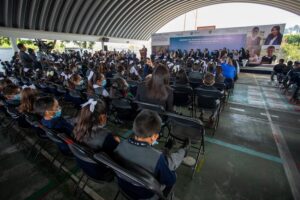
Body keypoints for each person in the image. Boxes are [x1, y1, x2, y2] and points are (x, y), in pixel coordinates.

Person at [114, 109, 190, 199]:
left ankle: (173, 149)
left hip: (123, 186)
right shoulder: (157, 158)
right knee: (172, 170)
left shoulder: (121, 145)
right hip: (146, 195)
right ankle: (183, 151)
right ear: (154, 136)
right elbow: (170, 180)